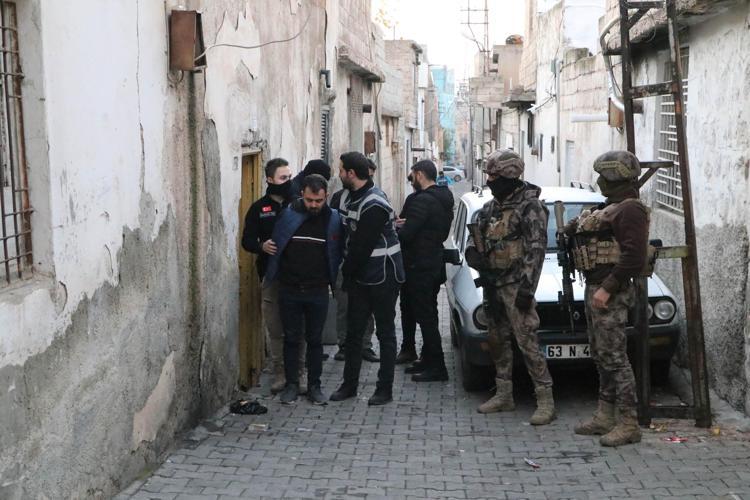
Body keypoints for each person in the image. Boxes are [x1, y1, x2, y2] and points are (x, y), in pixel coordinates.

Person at [464, 149, 555, 425]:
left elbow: (536, 249)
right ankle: (504, 394)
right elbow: (476, 238)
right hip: (493, 283)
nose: (490, 180)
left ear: (509, 175)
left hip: (517, 286)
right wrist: (474, 254)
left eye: (494, 176)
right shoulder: (491, 208)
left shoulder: (530, 206)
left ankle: (545, 401)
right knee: (497, 341)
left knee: (528, 342)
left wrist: (527, 289)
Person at [565, 150, 648, 446]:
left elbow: (634, 257)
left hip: (611, 291)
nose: (599, 180)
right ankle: (604, 416)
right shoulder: (609, 208)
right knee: (601, 355)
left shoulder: (630, 210)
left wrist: (608, 288)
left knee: (615, 358)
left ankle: (629, 423)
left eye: (603, 175)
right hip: (596, 287)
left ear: (616, 177)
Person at [329, 152, 404, 406]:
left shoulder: (374, 203)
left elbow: (362, 246)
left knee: (385, 333)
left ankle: (384, 389)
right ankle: (349, 385)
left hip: (383, 276)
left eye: (341, 170)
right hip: (361, 276)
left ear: (351, 174)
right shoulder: (349, 196)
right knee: (354, 332)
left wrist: (347, 275)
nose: (339, 174)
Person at [264, 174, 343, 405]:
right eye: (309, 200)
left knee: (315, 340)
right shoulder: (288, 215)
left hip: (318, 291)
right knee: (291, 339)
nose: (314, 205)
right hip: (289, 289)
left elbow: (338, 251)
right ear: (302, 195)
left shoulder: (333, 219)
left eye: (318, 201)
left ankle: (314, 386)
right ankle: (292, 384)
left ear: (326, 196)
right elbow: (276, 247)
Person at [241, 158, 306, 394]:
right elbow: (247, 240)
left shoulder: (298, 205)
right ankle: (280, 373)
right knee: (276, 328)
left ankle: (299, 372)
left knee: (298, 328)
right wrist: (261, 246)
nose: (288, 181)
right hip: (272, 276)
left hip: (298, 277)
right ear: (270, 179)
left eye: (289, 177)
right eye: (282, 178)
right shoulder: (259, 208)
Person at [395, 160, 454, 381]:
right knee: (428, 314)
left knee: (425, 317)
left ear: (419, 175)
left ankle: (437, 367)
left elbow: (406, 234)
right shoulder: (445, 197)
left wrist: (399, 227)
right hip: (433, 263)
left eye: (412, 175)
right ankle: (428, 360)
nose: (411, 180)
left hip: (419, 267)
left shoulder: (422, 200)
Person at [330, 161, 380, 363]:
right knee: (344, 306)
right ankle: (344, 345)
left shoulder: (374, 198)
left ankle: (365, 345)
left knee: (366, 307)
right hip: (344, 261)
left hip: (366, 263)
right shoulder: (339, 198)